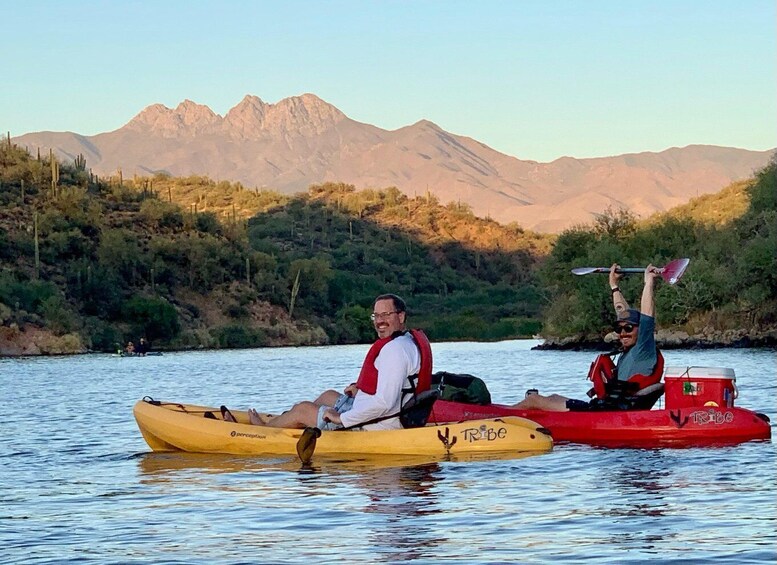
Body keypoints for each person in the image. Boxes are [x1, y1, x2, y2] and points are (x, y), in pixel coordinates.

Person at [226, 294, 432, 430]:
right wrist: (360, 392)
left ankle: (262, 432)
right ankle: (288, 424)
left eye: (386, 314)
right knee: (328, 396)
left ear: (401, 316)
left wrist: (340, 419)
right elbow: (397, 387)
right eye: (376, 315)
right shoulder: (406, 341)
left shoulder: (394, 350)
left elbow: (385, 403)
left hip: (378, 424)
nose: (379, 321)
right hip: (389, 413)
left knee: (302, 409)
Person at [512, 262, 661, 411]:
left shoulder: (644, 349)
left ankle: (496, 419)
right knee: (553, 397)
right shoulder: (632, 349)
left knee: (534, 400)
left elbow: (647, 318)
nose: (623, 333)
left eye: (628, 328)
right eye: (619, 329)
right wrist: (614, 285)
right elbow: (622, 312)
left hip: (607, 413)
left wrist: (648, 282)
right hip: (604, 407)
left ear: (641, 331)